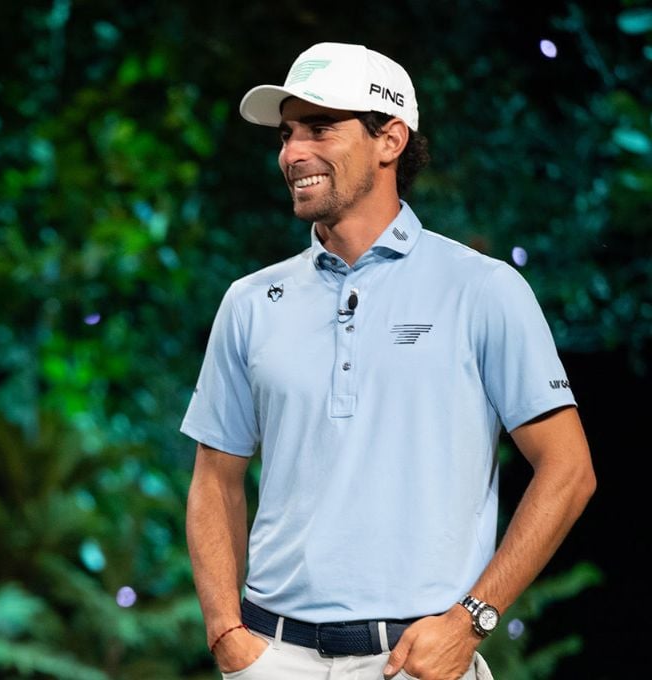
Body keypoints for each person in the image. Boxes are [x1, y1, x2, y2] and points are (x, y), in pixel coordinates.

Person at [182, 42, 595, 680]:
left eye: (320, 128)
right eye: (287, 134)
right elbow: (215, 477)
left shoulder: (482, 288)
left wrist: (471, 621)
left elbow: (568, 470)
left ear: (390, 139)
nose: (293, 153)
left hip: (419, 664)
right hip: (271, 658)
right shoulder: (250, 302)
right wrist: (225, 634)